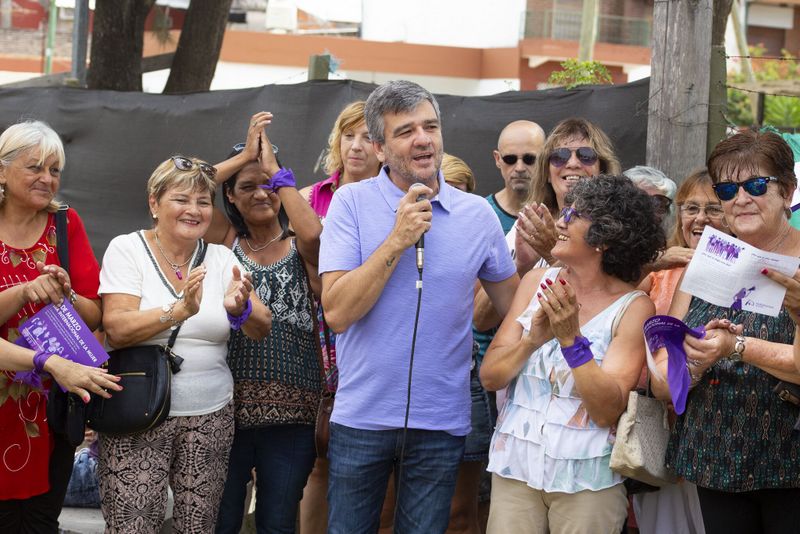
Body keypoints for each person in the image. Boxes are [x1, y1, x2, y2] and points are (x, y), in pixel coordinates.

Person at [318, 80, 518, 534]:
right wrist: (398, 238)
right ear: (379, 147)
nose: (423, 138)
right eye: (405, 131)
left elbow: (513, 305)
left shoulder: (476, 214)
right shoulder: (350, 203)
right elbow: (338, 312)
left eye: (430, 126)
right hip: (362, 417)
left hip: (440, 422)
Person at [98, 154, 271, 533]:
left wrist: (241, 309)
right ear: (154, 203)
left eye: (203, 202)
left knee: (199, 526)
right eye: (181, 199)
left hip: (211, 415)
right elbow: (117, 328)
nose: (194, 210)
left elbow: (263, 325)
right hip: (137, 413)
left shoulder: (222, 258)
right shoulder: (127, 249)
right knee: (133, 524)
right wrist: (179, 311)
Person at [481, 175, 663, 534]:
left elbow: (606, 410)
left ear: (606, 239)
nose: (560, 221)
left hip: (587, 481)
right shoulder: (536, 283)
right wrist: (531, 341)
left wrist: (571, 342)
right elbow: (490, 376)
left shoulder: (634, 306)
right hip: (514, 469)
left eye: (576, 215)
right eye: (566, 210)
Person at [650, 130, 800, 534]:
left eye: (755, 185)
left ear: (786, 191)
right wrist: (691, 363)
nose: (741, 198)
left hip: (790, 457)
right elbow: (664, 378)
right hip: (715, 452)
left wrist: (734, 346)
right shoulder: (709, 262)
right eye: (728, 189)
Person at [206, 113, 325, 534]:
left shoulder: (301, 247)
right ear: (230, 197)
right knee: (221, 521)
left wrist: (275, 171)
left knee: (277, 524)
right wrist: (245, 155)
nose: (261, 193)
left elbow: (315, 236)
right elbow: (191, 186)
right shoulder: (224, 242)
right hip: (225, 413)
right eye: (247, 186)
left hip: (293, 417)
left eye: (268, 186)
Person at [0, 119, 121, 532]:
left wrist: (67, 294)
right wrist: (23, 292)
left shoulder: (65, 225)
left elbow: (97, 315)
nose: (46, 178)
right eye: (34, 167)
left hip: (48, 407)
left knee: (39, 520)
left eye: (54, 170)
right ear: (2, 170)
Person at [298, 100, 381, 534]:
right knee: (317, 461)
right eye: (349, 135)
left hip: (367, 335)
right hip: (315, 338)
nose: (356, 146)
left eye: (367, 136)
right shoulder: (314, 197)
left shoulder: (391, 199)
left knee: (366, 462)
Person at [632, 169, 729, 534]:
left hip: (715, 430)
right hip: (660, 426)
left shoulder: (739, 275)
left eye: (713, 209)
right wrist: (655, 261)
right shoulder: (661, 270)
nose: (700, 218)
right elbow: (610, 290)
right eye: (691, 208)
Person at [513, 117, 620, 272]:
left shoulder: (617, 231)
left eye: (586, 155)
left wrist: (551, 254)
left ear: (602, 171)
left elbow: (610, 292)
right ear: (547, 173)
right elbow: (483, 296)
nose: (572, 164)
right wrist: (522, 265)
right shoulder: (529, 224)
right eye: (560, 156)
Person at [487, 121, 546, 233]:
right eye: (510, 159)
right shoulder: (482, 214)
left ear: (545, 158)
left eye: (530, 159)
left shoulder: (561, 213)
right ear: (497, 159)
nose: (519, 168)